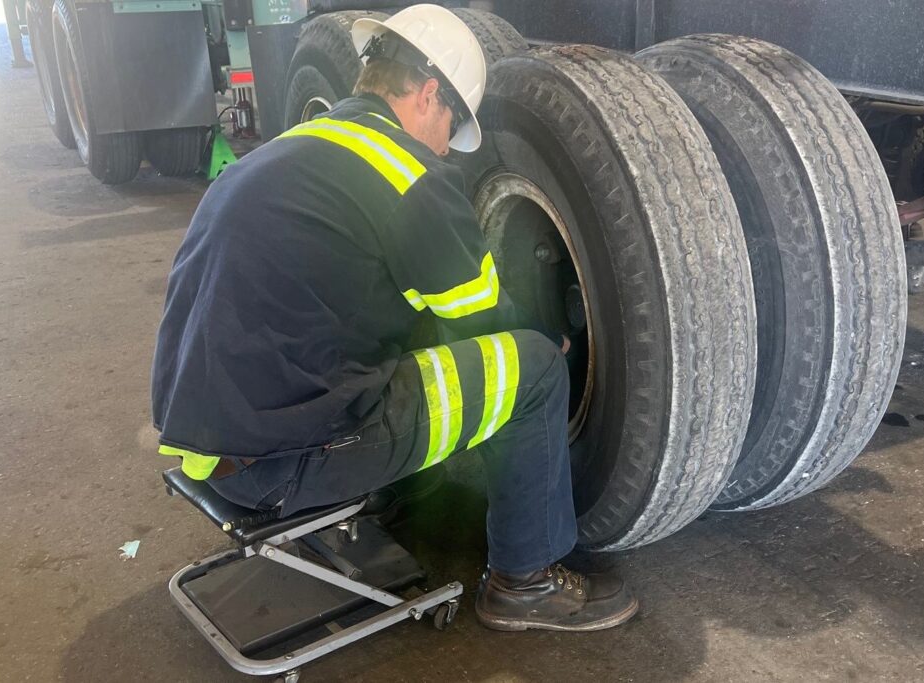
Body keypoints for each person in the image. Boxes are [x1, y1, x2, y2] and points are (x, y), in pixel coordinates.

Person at [150, 3, 637, 632]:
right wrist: (552, 337)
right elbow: (481, 316)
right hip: (281, 466)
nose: (447, 148)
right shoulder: (407, 176)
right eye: (452, 126)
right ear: (430, 94)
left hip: (209, 447)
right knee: (534, 369)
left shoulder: (290, 149)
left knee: (400, 326)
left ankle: (389, 496)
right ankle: (526, 580)